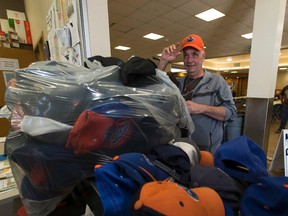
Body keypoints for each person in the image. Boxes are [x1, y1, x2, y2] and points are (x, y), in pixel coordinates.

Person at [158, 34, 237, 154]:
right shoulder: (177, 83)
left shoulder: (216, 81)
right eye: (186, 56)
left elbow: (231, 113)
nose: (190, 60)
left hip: (207, 153)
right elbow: (155, 87)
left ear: (203, 56)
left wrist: (200, 108)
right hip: (182, 149)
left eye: (195, 54)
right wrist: (163, 61)